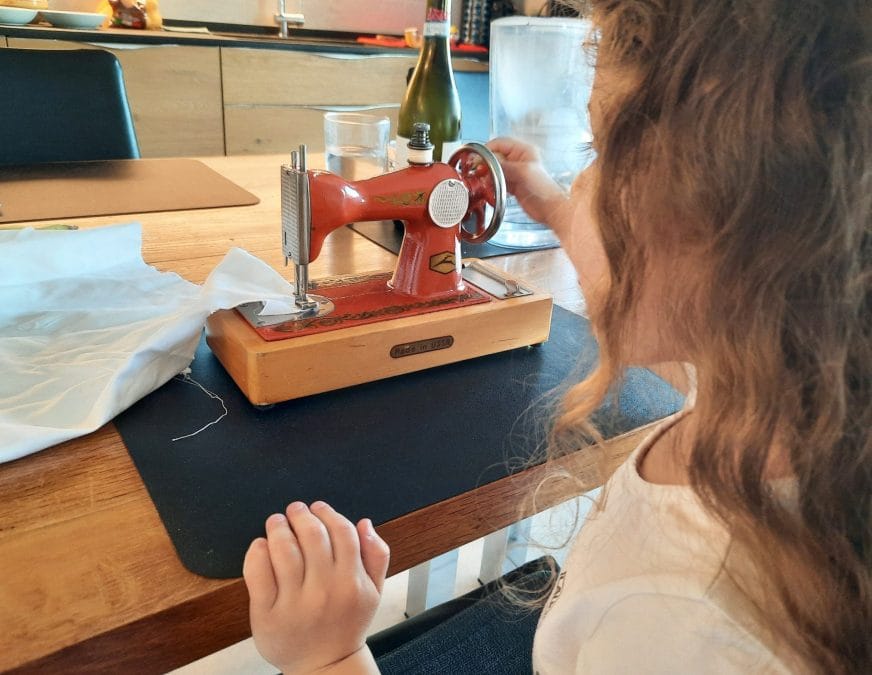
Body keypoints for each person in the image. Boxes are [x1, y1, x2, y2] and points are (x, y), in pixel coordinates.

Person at [241, 1, 871, 672]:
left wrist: (328, 656)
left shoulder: (681, 627)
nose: (583, 181)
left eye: (602, 155)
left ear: (724, 235)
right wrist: (549, 201)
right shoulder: (763, 393)